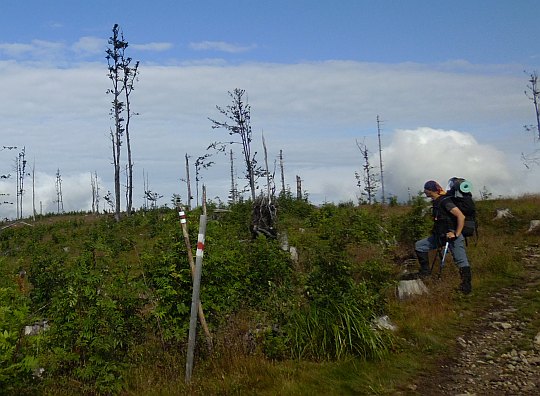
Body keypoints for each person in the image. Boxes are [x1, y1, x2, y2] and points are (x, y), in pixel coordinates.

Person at [414, 180, 472, 294]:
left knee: (461, 261)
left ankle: (466, 287)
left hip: (452, 236)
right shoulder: (437, 202)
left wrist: (456, 234)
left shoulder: (445, 201)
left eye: (425, 189)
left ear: (430, 190)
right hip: (440, 237)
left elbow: (461, 216)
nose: (424, 192)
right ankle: (425, 272)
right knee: (419, 246)